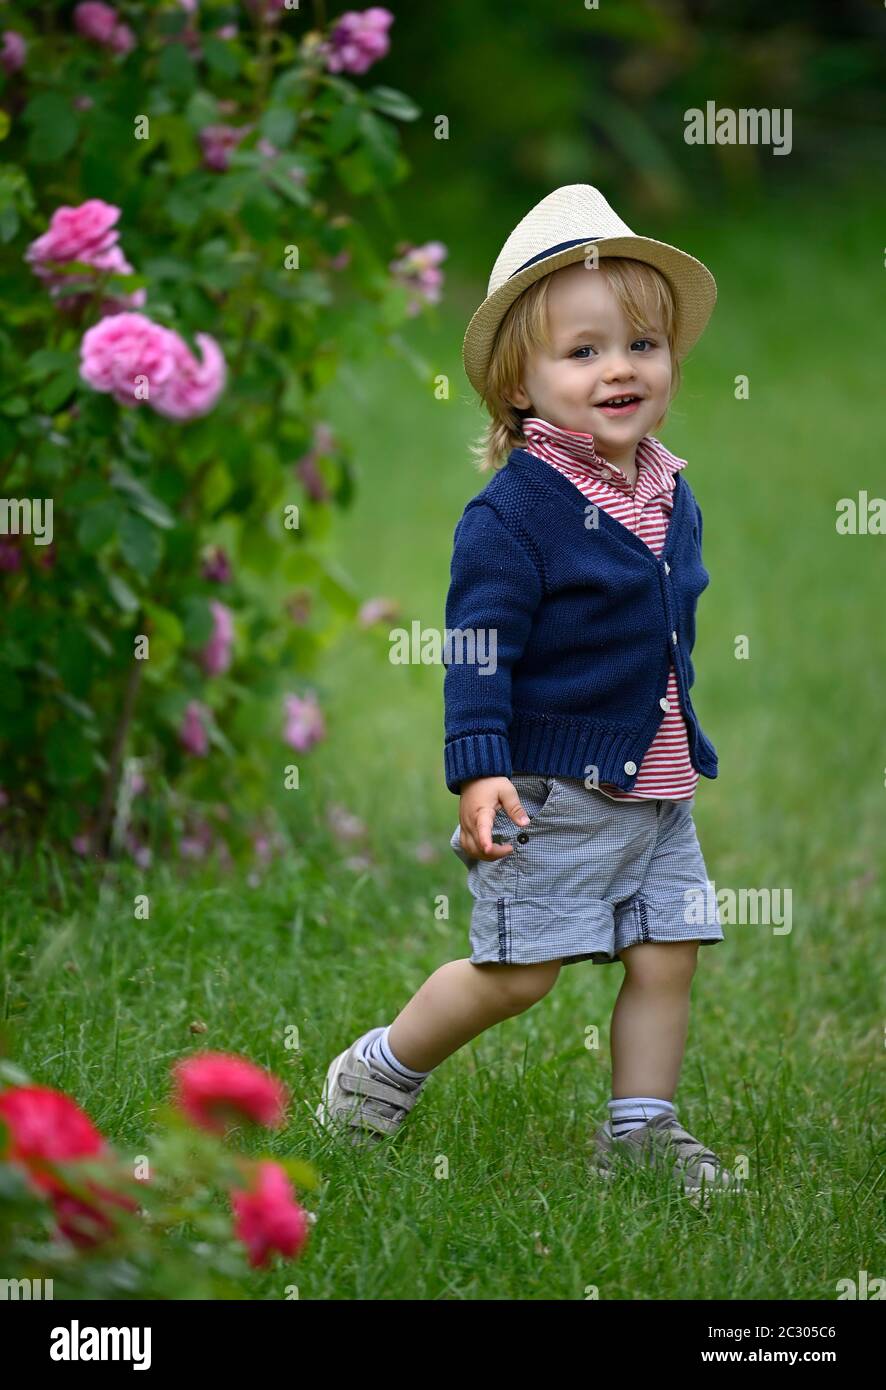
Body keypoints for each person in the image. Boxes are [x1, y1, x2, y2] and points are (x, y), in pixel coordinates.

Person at [316, 184, 732, 1202]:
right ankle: (380, 1065)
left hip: (654, 785)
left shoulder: (667, 489)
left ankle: (639, 1125)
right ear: (519, 384)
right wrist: (478, 768)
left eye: (640, 342)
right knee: (519, 973)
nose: (619, 368)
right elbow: (479, 649)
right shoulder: (513, 515)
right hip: (551, 792)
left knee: (667, 950)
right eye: (582, 352)